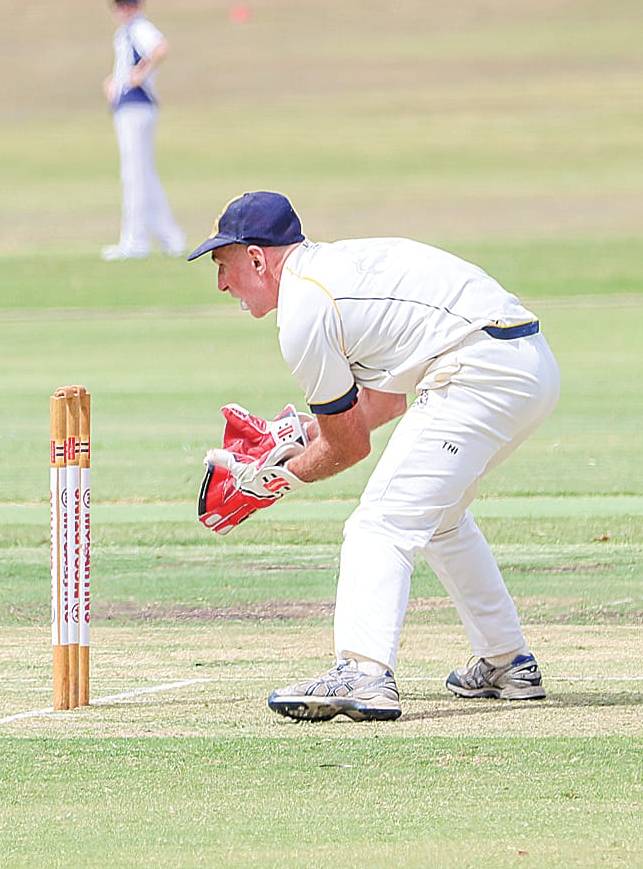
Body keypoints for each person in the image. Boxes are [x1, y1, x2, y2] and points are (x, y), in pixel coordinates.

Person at [190, 191, 561, 722]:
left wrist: (274, 479)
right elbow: (383, 402)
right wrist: (299, 432)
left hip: (479, 372)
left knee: (380, 523)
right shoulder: (332, 272)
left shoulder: (304, 308)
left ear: (256, 258)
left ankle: (363, 674)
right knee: (439, 517)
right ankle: (507, 661)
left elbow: (348, 446)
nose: (222, 284)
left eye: (223, 266)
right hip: (528, 368)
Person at [99, 0, 183, 260]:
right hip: (129, 106)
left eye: (129, 3)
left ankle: (135, 241)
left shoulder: (139, 28)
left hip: (137, 106)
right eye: (120, 5)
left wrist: (140, 74)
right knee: (143, 173)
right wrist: (114, 81)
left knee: (134, 175)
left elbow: (160, 48)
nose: (125, 9)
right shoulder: (124, 33)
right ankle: (170, 237)